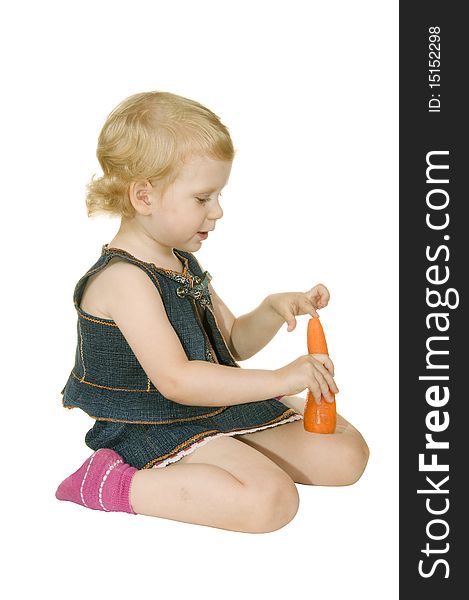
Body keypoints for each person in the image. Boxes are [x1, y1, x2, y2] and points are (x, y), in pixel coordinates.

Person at [55, 91, 369, 533]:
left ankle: (229, 458)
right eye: (203, 198)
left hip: (210, 408)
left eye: (218, 195)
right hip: (149, 421)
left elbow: (233, 342)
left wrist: (272, 310)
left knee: (346, 455)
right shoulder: (123, 280)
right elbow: (178, 381)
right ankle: (113, 484)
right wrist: (281, 380)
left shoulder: (182, 262)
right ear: (144, 196)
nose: (218, 211)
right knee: (271, 501)